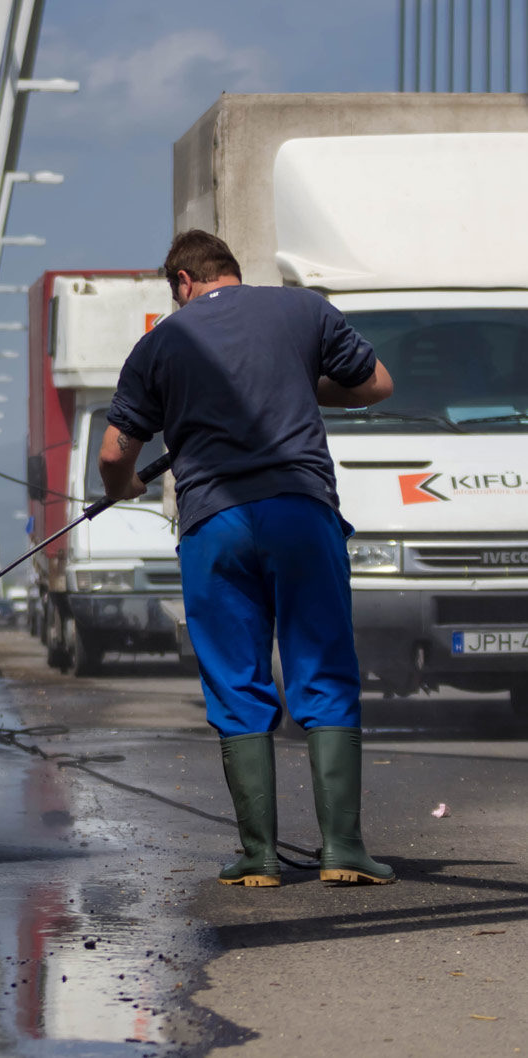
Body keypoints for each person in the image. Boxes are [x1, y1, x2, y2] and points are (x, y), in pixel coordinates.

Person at [98, 230, 395, 887]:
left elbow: (116, 453)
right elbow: (376, 383)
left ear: (181, 281)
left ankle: (259, 857)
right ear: (230, 270)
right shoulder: (303, 310)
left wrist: (126, 490)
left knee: (236, 680)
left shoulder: (160, 344)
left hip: (215, 521)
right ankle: (343, 850)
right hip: (300, 509)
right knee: (324, 671)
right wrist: (300, 386)